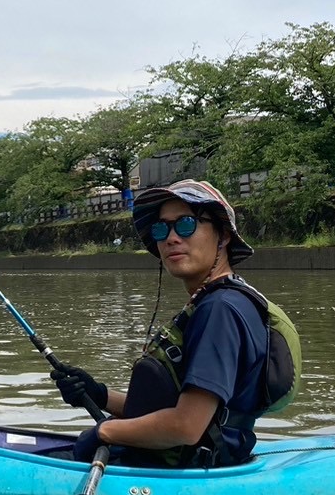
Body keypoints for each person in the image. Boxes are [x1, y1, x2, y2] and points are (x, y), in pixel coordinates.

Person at [50, 179, 273, 468]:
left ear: (223, 235)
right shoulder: (212, 301)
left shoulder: (220, 310)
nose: (171, 238)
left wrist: (104, 431)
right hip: (174, 459)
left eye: (186, 224)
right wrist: (99, 395)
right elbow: (171, 408)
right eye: (161, 228)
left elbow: (187, 425)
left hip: (186, 470)